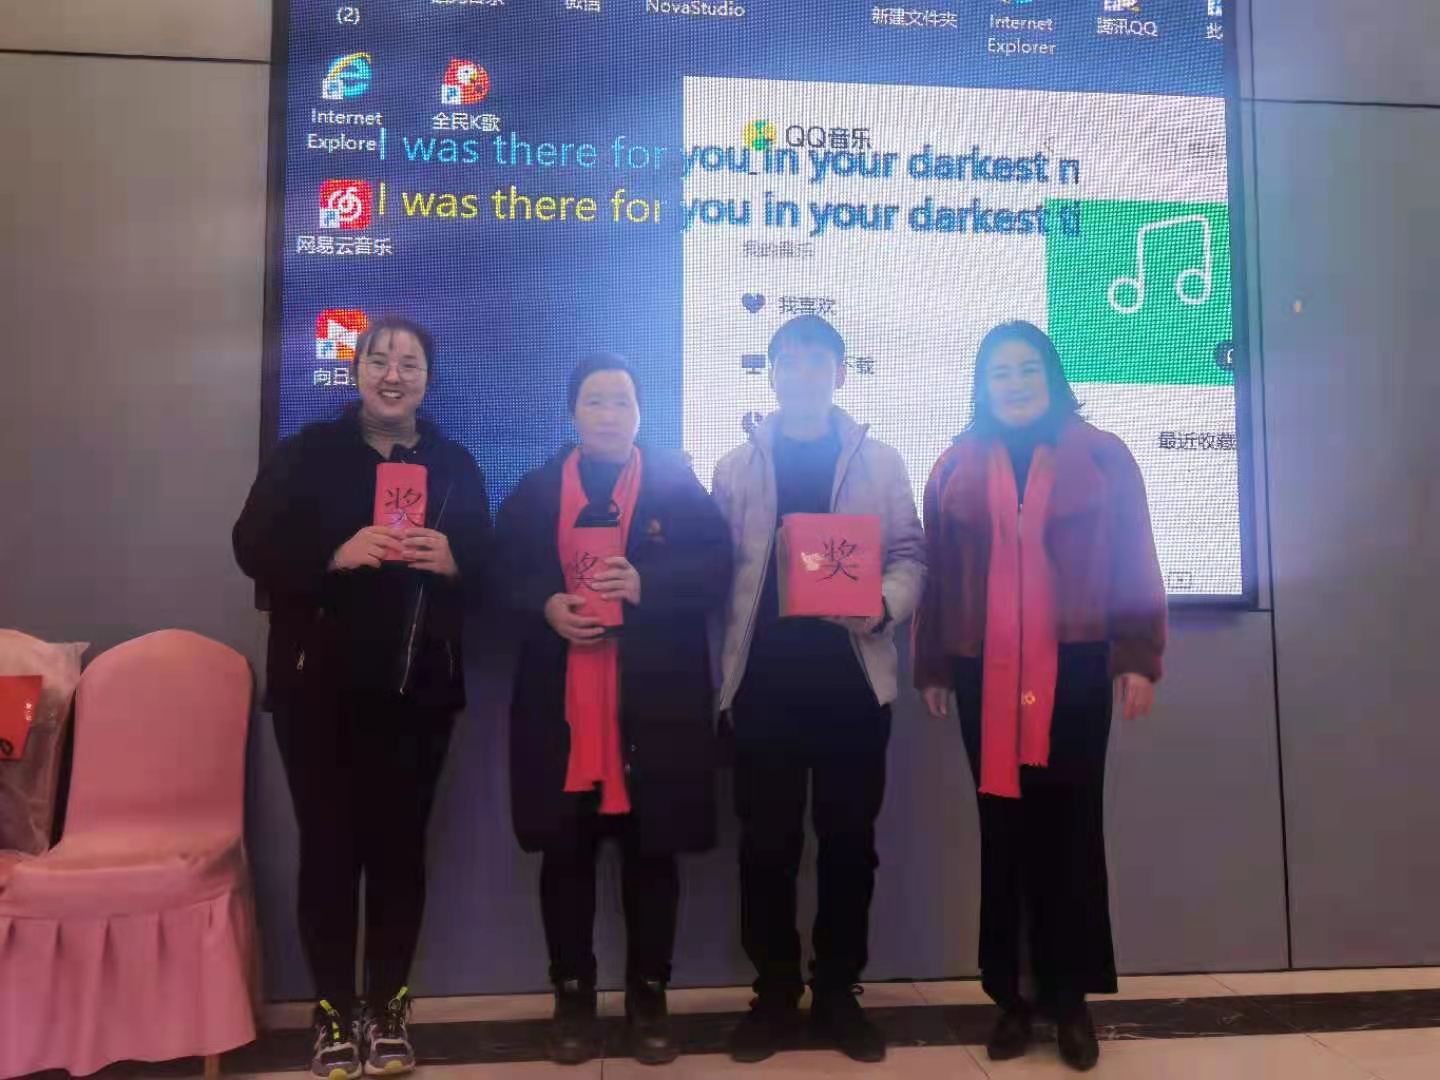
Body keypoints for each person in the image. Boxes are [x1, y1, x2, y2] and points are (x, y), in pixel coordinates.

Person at [233, 317, 491, 1080]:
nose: (393, 374)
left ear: (427, 380)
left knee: (400, 854)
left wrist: (455, 560)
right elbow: (250, 545)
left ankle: (388, 1008)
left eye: (409, 363)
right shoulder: (308, 452)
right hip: (317, 694)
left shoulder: (452, 464)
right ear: (355, 375)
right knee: (329, 853)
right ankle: (332, 1014)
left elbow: (492, 565)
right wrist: (332, 555)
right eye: (378, 360)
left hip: (420, 694)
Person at [914, 320, 1166, 1072]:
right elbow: (936, 576)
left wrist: (1138, 657)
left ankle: (1070, 1000)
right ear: (981, 387)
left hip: (1078, 669)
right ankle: (1012, 999)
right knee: (1004, 834)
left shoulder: (1103, 456)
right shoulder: (953, 466)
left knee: (1071, 831)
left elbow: (1135, 558)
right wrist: (932, 665)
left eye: (1028, 369)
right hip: (981, 672)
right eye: (1001, 372)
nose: (1016, 383)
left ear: (1053, 377)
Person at [495, 353, 732, 1067]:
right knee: (564, 854)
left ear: (640, 412)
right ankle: (572, 998)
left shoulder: (676, 485)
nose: (608, 414)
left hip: (653, 707)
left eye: (622, 401)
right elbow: (498, 575)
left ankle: (648, 999)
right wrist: (545, 604)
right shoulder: (536, 491)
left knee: (651, 855)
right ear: (573, 412)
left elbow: (718, 569)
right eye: (595, 401)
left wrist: (646, 584)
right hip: (561, 707)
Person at [712, 315, 926, 1065]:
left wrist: (883, 605)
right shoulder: (737, 466)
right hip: (762, 688)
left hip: (852, 687)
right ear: (770, 372)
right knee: (765, 848)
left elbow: (910, 557)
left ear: (840, 372)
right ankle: (773, 994)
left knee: (849, 847)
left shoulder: (880, 462)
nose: (803, 372)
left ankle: (838, 993)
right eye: (789, 360)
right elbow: (716, 574)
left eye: (818, 361)